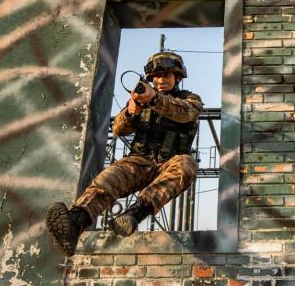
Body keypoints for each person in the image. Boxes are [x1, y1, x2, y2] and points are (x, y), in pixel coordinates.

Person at [46, 51, 203, 256]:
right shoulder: (142, 100)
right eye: (156, 76)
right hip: (139, 161)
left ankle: (134, 215)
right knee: (108, 179)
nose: (161, 80)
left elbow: (186, 113)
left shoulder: (190, 99)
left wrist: (154, 99)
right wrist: (131, 112)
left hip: (170, 162)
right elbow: (119, 130)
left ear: (178, 77)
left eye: (166, 75)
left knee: (187, 164)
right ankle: (75, 223)